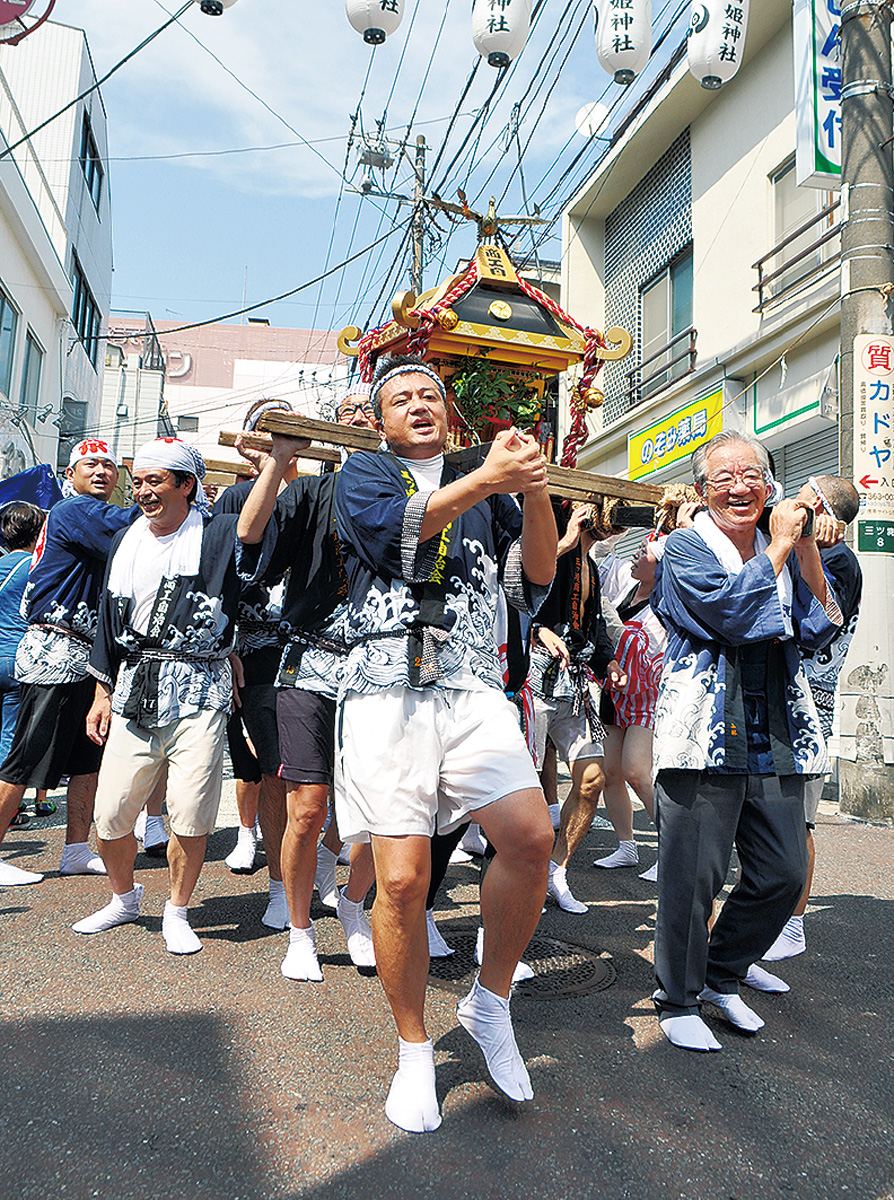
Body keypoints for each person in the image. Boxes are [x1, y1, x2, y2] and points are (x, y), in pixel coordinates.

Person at [334, 353, 556, 1132]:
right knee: (399, 883)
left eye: (431, 394)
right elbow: (400, 540)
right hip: (384, 688)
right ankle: (413, 1048)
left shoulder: (486, 484)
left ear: (450, 413)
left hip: (470, 684)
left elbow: (532, 579)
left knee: (531, 836)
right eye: (402, 398)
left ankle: (489, 1004)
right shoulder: (364, 473)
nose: (419, 405)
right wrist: (489, 480)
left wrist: (532, 492)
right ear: (382, 418)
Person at [649, 430, 842, 1051]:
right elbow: (731, 615)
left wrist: (805, 548)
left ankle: (721, 974)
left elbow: (818, 629)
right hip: (705, 729)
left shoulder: (779, 546)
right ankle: (677, 997)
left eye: (751, 477)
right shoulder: (684, 548)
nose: (739, 488)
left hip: (774, 727)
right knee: (694, 875)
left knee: (784, 871)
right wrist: (783, 546)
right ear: (703, 493)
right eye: (723, 479)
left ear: (771, 485)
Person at [72, 438, 244, 955]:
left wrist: (278, 459)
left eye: (157, 481)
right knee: (111, 812)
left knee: (190, 810)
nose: (144, 491)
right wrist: (101, 691)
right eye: (139, 481)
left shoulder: (215, 535)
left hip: (200, 684)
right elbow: (108, 619)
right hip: (135, 683)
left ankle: (177, 908)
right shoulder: (128, 540)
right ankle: (124, 897)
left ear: (187, 486)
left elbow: (255, 527)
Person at [235, 385, 379, 980]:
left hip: (384, 665)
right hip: (310, 661)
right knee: (308, 806)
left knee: (376, 811)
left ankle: (351, 905)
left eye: (369, 415)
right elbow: (249, 540)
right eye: (347, 417)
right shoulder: (309, 492)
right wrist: (277, 459)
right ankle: (299, 929)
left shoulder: (411, 495)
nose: (359, 422)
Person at [0, 440, 138, 886]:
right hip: (55, 651)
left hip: (87, 652)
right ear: (71, 474)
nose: (101, 471)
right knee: (25, 757)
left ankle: (76, 849)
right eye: (90, 464)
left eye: (108, 465)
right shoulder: (74, 509)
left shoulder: (85, 511)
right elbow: (133, 526)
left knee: (87, 758)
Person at [759, 474, 862, 965]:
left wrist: (809, 552)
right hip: (782, 697)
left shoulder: (839, 559)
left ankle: (793, 924)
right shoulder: (805, 542)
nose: (789, 504)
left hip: (808, 710)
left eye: (801, 498)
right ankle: (773, 915)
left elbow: (821, 626)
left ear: (820, 508)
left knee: (797, 820)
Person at [528, 501, 622, 912]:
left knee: (592, 777)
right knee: (520, 786)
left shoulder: (593, 566)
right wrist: (538, 629)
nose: (616, 527)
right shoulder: (552, 545)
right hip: (532, 673)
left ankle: (557, 870)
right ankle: (516, 878)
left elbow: (594, 622)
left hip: (577, 678)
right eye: (610, 516)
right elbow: (513, 591)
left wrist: (609, 660)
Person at [593, 532, 667, 879]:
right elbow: (596, 561)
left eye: (644, 553)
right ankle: (626, 846)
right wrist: (607, 532)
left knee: (637, 771)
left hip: (648, 697)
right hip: (615, 689)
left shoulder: (670, 600)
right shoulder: (625, 585)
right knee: (609, 772)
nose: (635, 557)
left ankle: (673, 849)